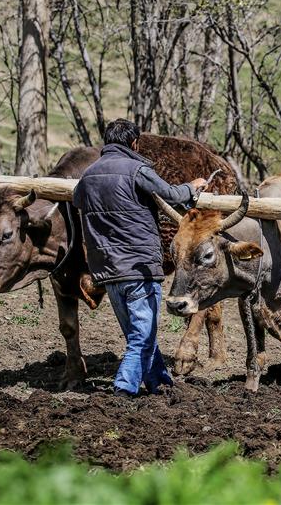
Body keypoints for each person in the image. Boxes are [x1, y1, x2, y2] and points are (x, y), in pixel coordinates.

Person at [73, 119, 207, 397]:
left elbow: (77, 200)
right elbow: (171, 195)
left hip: (107, 269)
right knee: (142, 337)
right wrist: (193, 187)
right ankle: (124, 389)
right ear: (134, 143)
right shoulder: (137, 170)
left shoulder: (88, 175)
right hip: (138, 266)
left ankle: (160, 383)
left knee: (139, 335)